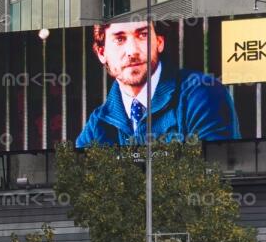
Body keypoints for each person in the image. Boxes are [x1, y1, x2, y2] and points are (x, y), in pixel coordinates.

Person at [76, 20, 239, 147]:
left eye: (143, 35)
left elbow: (214, 175)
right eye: (119, 39)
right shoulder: (97, 125)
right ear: (102, 53)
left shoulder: (203, 93)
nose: (132, 51)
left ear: (159, 42)